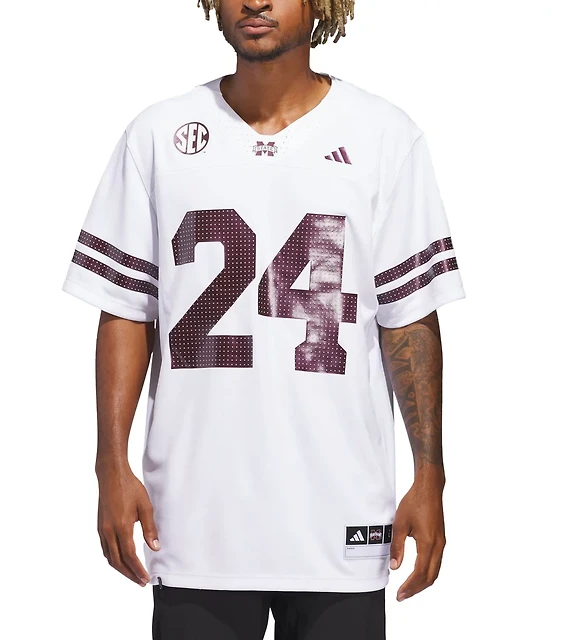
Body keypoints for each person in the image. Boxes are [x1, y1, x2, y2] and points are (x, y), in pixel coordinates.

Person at [61, 0, 466, 637]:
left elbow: (409, 317)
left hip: (340, 518)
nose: (255, 0)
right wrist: (110, 466)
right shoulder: (157, 135)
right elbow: (128, 309)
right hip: (194, 524)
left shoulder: (385, 136)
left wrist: (429, 475)